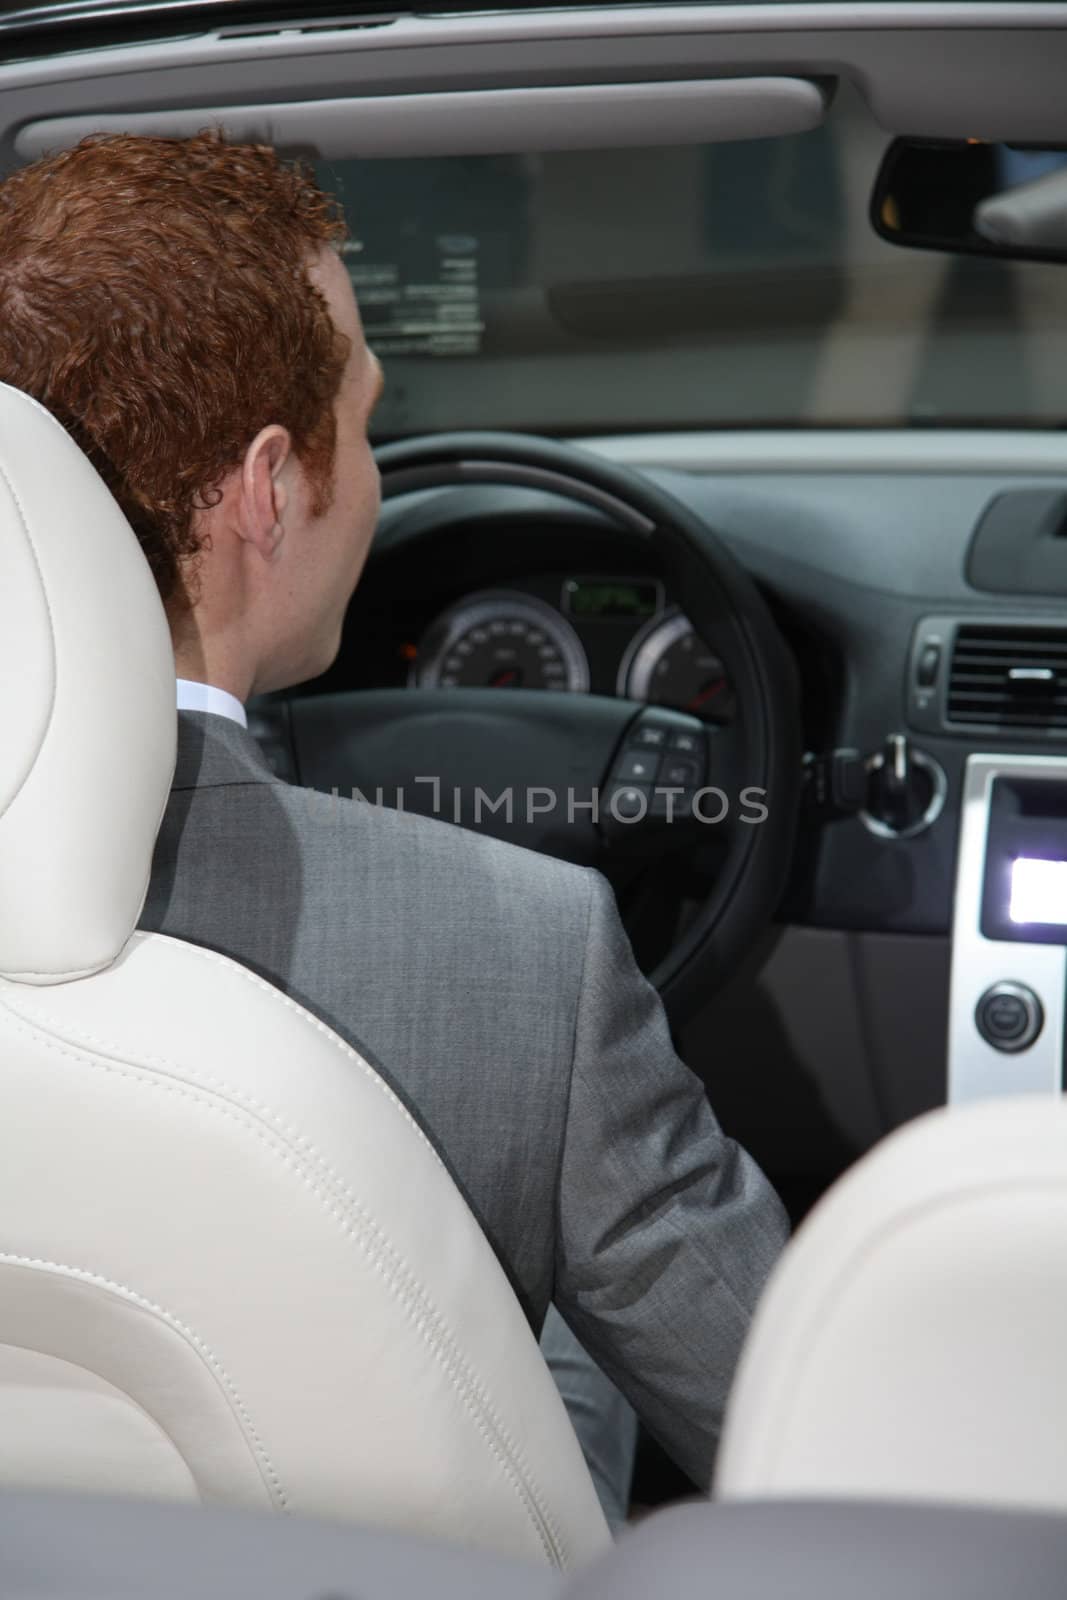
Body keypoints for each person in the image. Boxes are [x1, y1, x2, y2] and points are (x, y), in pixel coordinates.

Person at [0, 131, 789, 1505]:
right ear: (268, 489)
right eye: (363, 424)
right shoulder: (523, 955)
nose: (370, 475)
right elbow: (812, 1430)